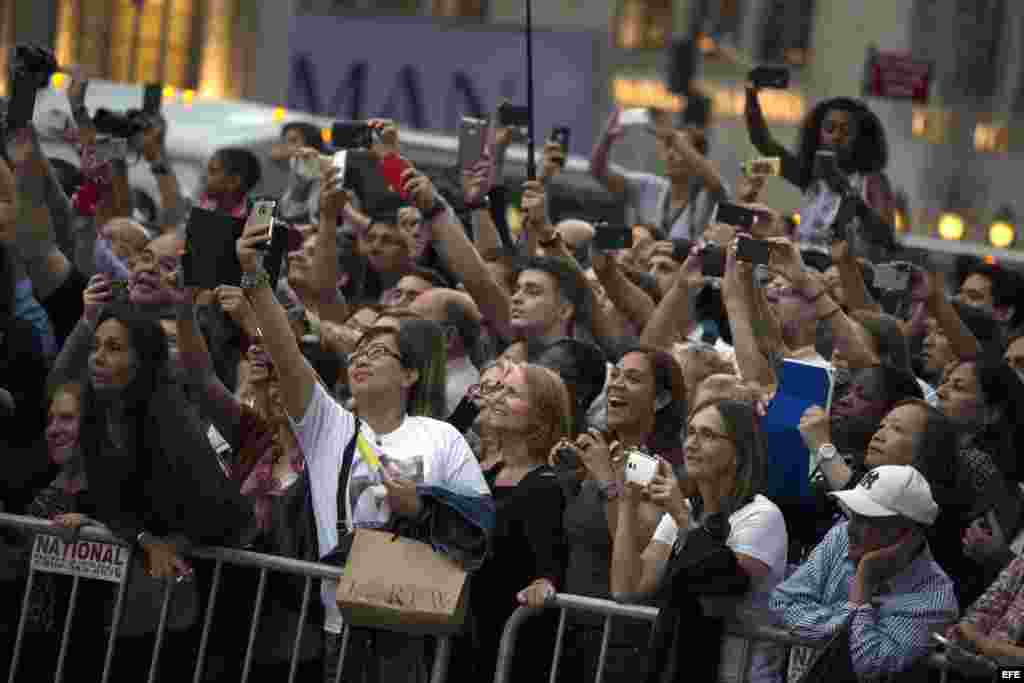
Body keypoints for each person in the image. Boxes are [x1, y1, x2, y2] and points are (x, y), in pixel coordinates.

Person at [235, 211, 493, 683]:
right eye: (361, 350)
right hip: (338, 628)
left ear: (411, 374)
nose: (364, 358)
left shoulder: (443, 438)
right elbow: (285, 352)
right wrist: (254, 279)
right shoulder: (329, 427)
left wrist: (421, 505)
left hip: (412, 633)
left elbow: (479, 528)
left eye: (380, 352)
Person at [611, 399, 787, 683]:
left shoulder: (762, 516)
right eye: (690, 432)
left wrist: (680, 515)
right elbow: (627, 589)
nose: (691, 443)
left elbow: (723, 592)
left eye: (707, 435)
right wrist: (627, 502)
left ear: (738, 453)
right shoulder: (686, 510)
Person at [771, 465, 958, 680]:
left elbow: (868, 664)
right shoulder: (841, 536)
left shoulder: (935, 600)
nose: (850, 528)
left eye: (866, 520)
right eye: (853, 515)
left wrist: (863, 583)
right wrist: (844, 621)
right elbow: (783, 602)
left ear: (908, 536)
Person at [467, 362, 571, 682]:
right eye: (498, 389)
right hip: (468, 636)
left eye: (511, 393)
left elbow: (550, 564)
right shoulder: (485, 476)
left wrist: (544, 583)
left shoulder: (546, 485)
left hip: (512, 649)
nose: (497, 398)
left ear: (541, 416)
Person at [744, 89, 894, 254]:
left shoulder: (872, 180)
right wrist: (751, 96)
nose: (836, 136)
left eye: (845, 131)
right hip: (803, 269)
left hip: (842, 274)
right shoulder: (810, 176)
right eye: (829, 129)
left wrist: (851, 198)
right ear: (818, 134)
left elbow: (885, 237)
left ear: (861, 138)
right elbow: (763, 142)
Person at [589, 108, 728, 240]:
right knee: (596, 236)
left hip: (685, 264)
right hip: (644, 263)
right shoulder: (648, 186)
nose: (671, 155)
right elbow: (598, 172)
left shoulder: (707, 194)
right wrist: (606, 139)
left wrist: (673, 137)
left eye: (680, 148)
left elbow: (716, 183)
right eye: (668, 147)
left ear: (697, 157)